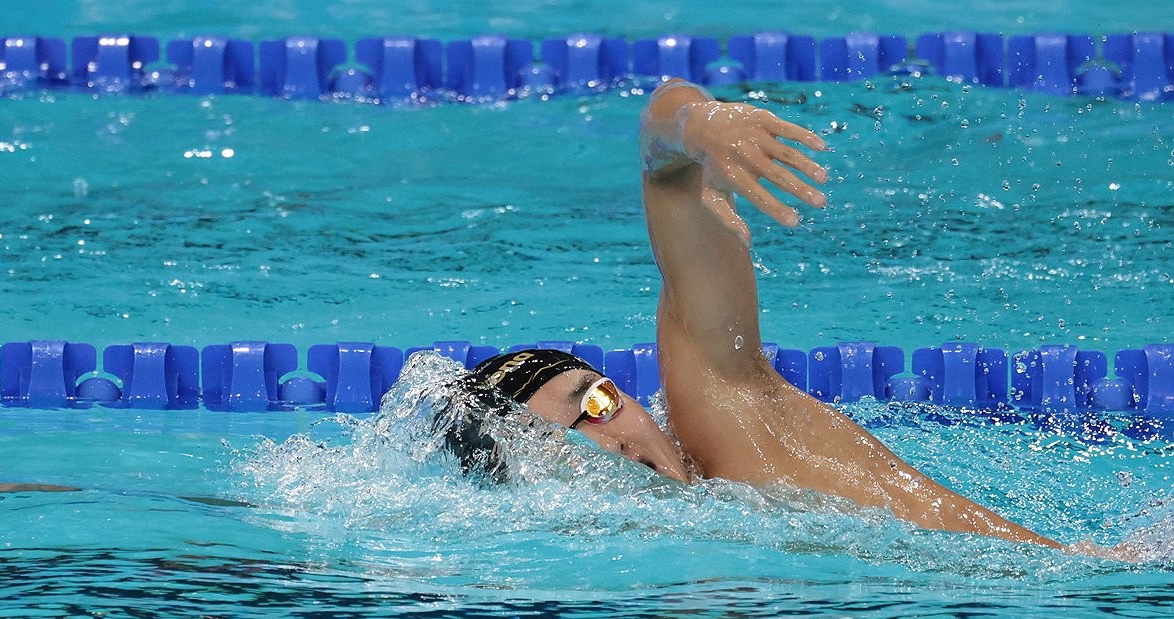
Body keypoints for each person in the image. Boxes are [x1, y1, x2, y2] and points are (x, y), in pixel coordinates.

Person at [451, 78, 1122, 556]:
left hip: (1106, 577)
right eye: (567, 440)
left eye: (597, 401)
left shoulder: (728, 416)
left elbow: (663, 165)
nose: (613, 440)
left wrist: (696, 125)